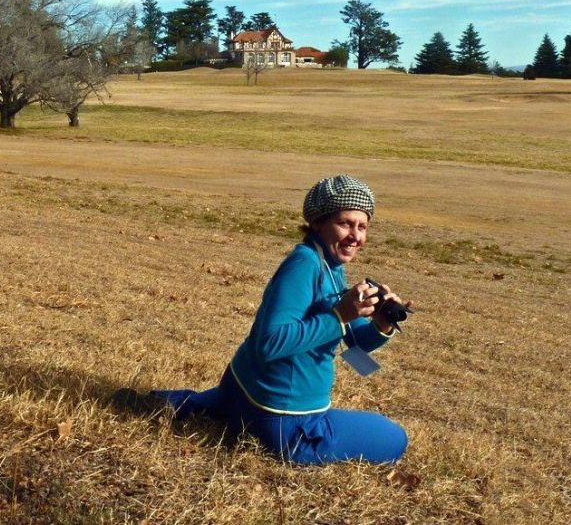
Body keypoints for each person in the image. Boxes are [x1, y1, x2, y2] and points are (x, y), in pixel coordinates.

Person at [145, 175, 413, 465]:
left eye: (362, 226)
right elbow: (269, 343)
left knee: (223, 405)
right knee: (395, 438)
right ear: (319, 222)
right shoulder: (303, 265)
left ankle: (185, 403)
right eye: (345, 223)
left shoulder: (330, 264)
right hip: (283, 422)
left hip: (240, 391)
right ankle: (215, 410)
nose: (356, 236)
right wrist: (338, 316)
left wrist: (382, 322)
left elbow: (354, 340)